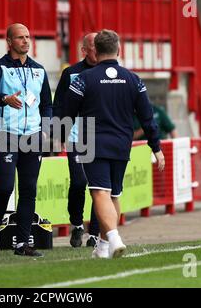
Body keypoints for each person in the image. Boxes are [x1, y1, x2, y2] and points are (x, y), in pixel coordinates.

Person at [61, 29, 165, 259]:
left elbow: (67, 114)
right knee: (114, 194)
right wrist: (156, 147)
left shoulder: (82, 79)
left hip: (92, 141)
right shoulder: (133, 79)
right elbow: (147, 117)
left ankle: (115, 238)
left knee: (100, 193)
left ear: (95, 51)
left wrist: (63, 137)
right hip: (121, 143)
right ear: (119, 50)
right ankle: (102, 246)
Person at [0, 23, 52, 257]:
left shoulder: (39, 70)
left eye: (28, 36)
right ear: (9, 41)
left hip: (33, 137)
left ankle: (23, 244)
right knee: (3, 188)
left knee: (29, 190)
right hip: (6, 135)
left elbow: (47, 105)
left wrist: (45, 129)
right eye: (20, 37)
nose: (25, 41)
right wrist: (4, 98)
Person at [53, 33, 100, 248]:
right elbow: (59, 106)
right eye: (93, 46)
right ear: (84, 50)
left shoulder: (110, 73)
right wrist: (58, 134)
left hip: (103, 137)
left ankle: (96, 233)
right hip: (77, 138)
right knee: (79, 182)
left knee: (100, 187)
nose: (98, 50)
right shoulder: (71, 73)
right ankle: (77, 224)